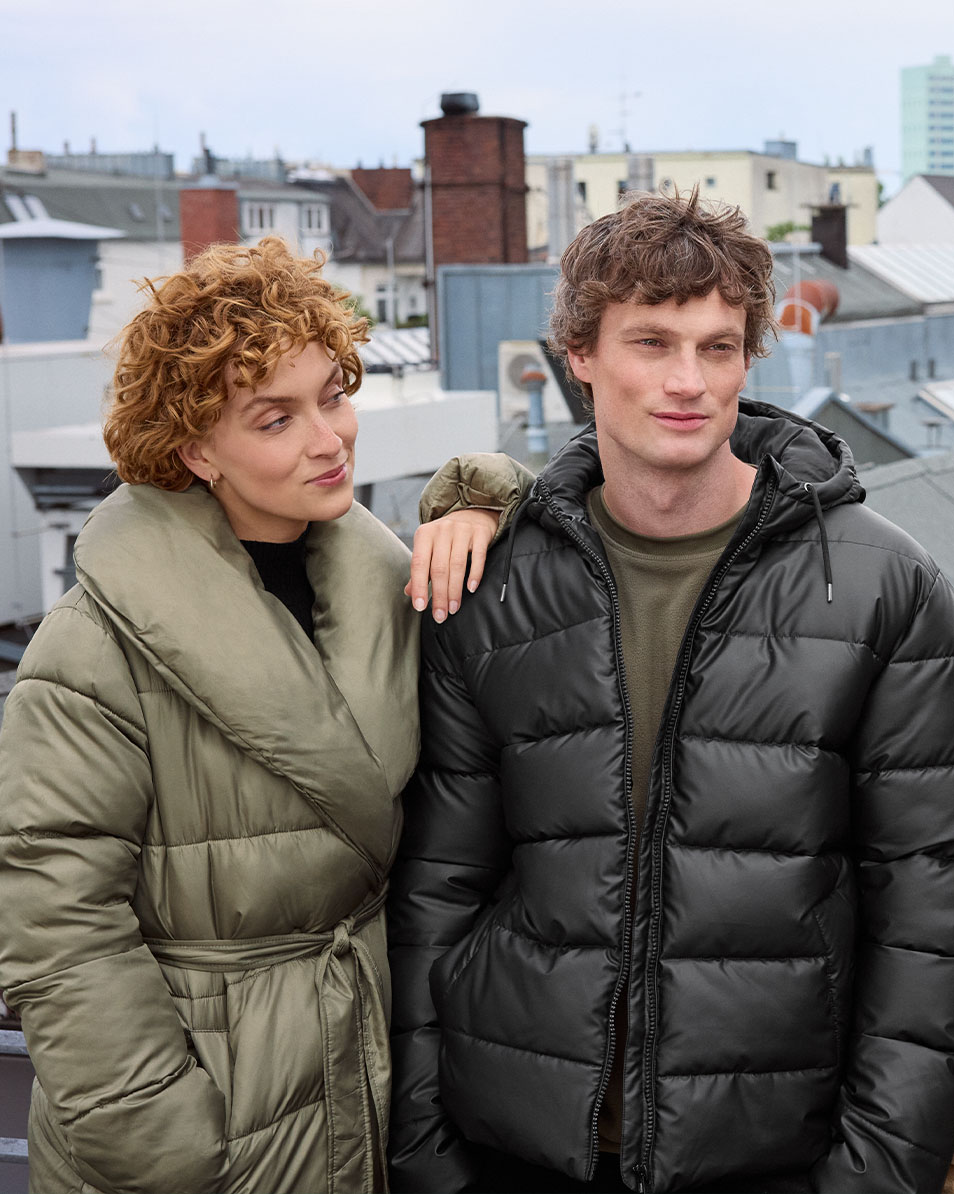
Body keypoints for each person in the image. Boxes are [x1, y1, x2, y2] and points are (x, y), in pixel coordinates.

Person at [387, 191, 954, 1194]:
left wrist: (877, 1174)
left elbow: (927, 908)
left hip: (779, 1155)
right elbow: (439, 889)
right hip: (520, 1151)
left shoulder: (881, 583)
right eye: (652, 342)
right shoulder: (490, 583)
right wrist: (431, 1156)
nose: (688, 382)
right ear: (580, 354)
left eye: (718, 347)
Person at [0, 236, 529, 1194]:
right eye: (274, 419)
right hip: (201, 1126)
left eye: (333, 394)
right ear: (197, 447)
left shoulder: (377, 583)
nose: (328, 439)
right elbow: (58, 931)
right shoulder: (89, 650)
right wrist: (166, 1144)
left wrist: (486, 501)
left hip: (360, 1076)